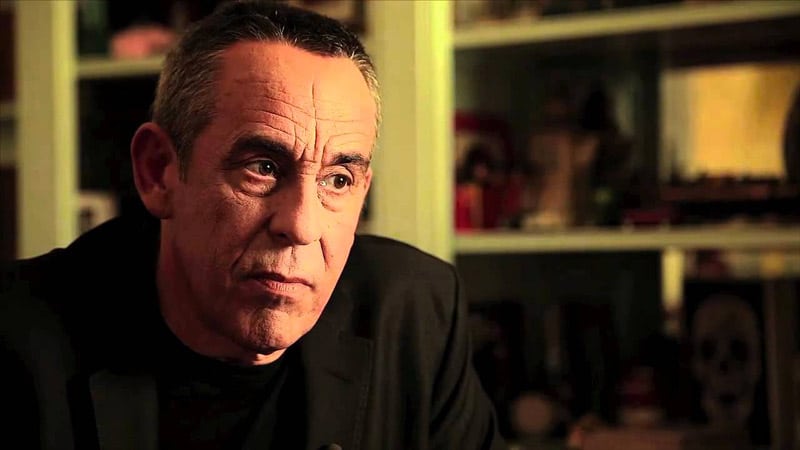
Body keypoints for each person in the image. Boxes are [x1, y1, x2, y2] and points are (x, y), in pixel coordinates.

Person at [0, 2, 506, 449]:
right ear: (159, 172)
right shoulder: (16, 337)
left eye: (338, 180)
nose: (302, 226)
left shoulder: (414, 313)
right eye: (263, 168)